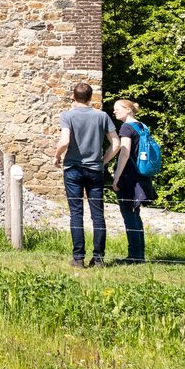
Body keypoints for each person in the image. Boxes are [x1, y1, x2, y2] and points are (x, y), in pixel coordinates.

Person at [54, 82, 118, 268]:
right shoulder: (102, 116)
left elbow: (65, 140)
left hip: (73, 169)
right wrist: (103, 161)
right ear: (91, 98)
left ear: (73, 97)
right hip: (95, 170)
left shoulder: (67, 116)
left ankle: (78, 258)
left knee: (76, 213)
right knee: (98, 215)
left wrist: (57, 156)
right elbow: (116, 143)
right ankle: (98, 259)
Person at [110, 99, 157, 264]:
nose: (114, 112)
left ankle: (134, 256)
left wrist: (116, 178)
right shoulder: (142, 126)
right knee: (135, 215)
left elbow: (124, 153)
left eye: (117, 109)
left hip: (129, 177)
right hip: (142, 176)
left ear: (128, 110)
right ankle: (139, 254)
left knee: (129, 215)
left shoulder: (126, 128)